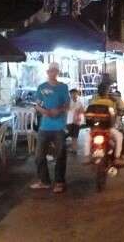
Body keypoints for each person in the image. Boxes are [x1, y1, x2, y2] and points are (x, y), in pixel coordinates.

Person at [30, 63, 70, 193]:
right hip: (44, 126)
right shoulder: (41, 88)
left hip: (59, 127)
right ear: (47, 72)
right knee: (39, 156)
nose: (53, 73)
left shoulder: (63, 87)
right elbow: (37, 104)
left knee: (60, 154)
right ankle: (44, 181)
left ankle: (59, 182)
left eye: (55, 71)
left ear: (57, 72)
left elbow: (67, 104)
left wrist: (58, 110)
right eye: (50, 71)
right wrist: (45, 111)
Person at [82, 83, 124, 166]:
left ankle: (87, 156)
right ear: (107, 91)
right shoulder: (111, 101)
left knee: (88, 137)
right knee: (119, 137)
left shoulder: (93, 100)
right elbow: (116, 112)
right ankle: (117, 158)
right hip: (108, 128)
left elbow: (88, 112)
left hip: (94, 128)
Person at [66, 89, 85, 154]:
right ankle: (70, 147)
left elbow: (83, 111)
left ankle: (74, 149)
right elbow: (66, 109)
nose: (74, 95)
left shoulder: (79, 102)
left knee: (75, 136)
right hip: (69, 121)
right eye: (72, 94)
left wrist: (80, 111)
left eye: (75, 94)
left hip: (77, 121)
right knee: (69, 134)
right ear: (70, 94)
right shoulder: (68, 101)